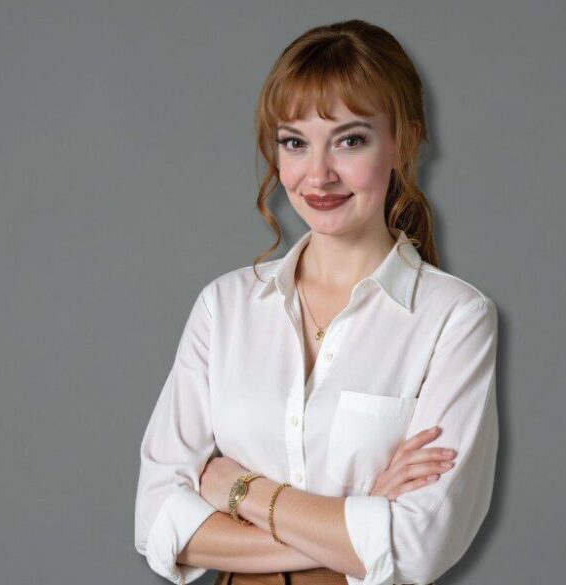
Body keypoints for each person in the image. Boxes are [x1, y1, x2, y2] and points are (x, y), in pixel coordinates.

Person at [134, 19, 499, 585]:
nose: (318, 174)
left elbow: (420, 545)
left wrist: (237, 489)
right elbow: (158, 520)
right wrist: (359, 526)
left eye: (350, 140)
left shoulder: (453, 318)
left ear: (403, 142)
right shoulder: (223, 308)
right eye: (295, 143)